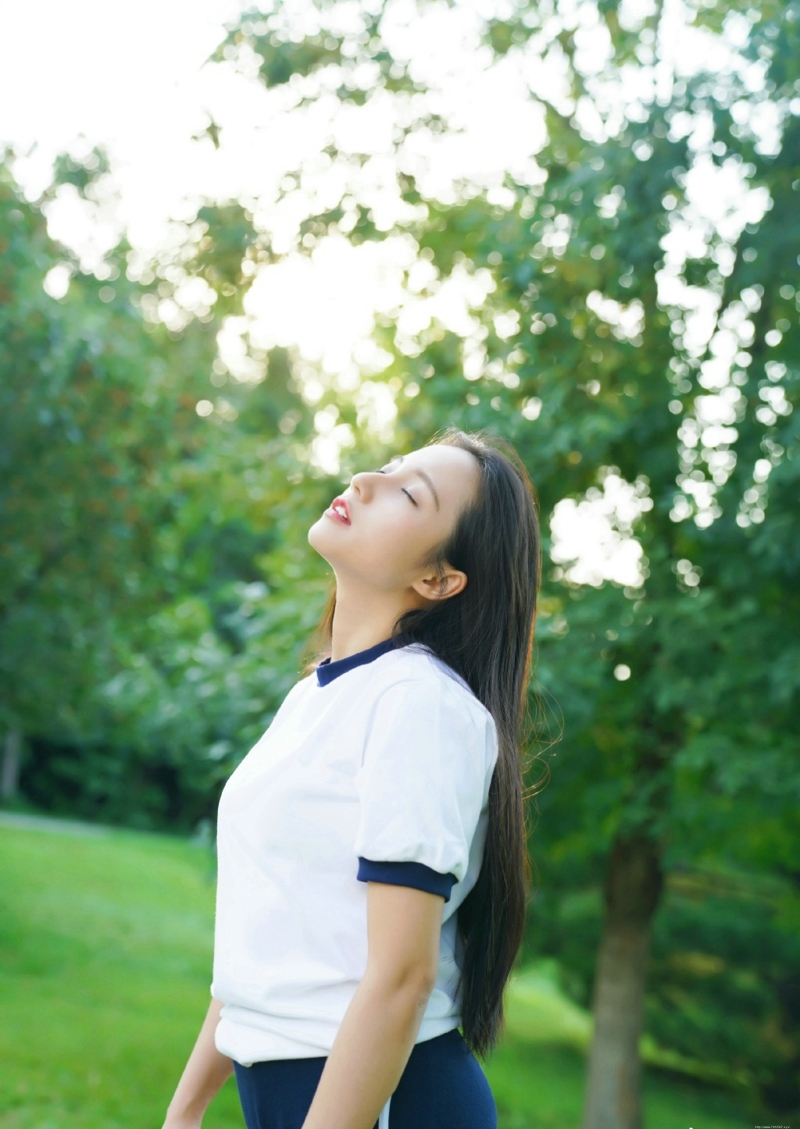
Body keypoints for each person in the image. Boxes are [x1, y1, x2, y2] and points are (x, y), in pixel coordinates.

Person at [162, 425, 541, 1129]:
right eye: (387, 467)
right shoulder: (316, 696)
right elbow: (272, 934)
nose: (364, 481)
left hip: (378, 1098)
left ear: (438, 578)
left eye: (407, 492)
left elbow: (402, 980)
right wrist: (184, 1111)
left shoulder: (419, 705)